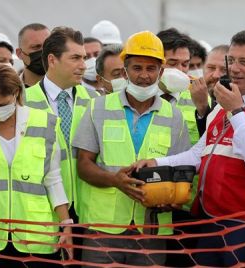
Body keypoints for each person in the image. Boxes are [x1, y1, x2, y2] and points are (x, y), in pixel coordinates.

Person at [134, 30, 245, 266]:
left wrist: (236, 111)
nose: (235, 68)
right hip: (210, 218)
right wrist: (157, 163)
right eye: (232, 60)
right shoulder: (222, 105)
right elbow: (199, 153)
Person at [73, 30, 190, 266]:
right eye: (137, 68)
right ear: (125, 71)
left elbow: (182, 168)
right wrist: (116, 180)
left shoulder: (174, 115)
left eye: (151, 68)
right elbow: (83, 165)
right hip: (103, 229)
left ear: (161, 72)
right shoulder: (98, 108)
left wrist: (173, 198)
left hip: (152, 229)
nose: (144, 76)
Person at [0, 63, 72, 268]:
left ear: (16, 92)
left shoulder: (45, 122)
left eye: (3, 104)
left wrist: (66, 224)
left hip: (35, 235)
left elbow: (53, 178)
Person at [24, 27, 99, 213]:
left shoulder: (95, 100)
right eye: (75, 58)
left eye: (84, 58)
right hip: (44, 209)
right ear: (52, 60)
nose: (83, 65)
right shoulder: (23, 101)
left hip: (87, 209)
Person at [157, 28, 201, 145]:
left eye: (185, 64)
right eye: (172, 63)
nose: (180, 70)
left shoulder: (200, 95)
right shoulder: (139, 93)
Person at [192, 44, 228, 136]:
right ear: (203, 68)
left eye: (223, 70)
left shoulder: (240, 105)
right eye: (211, 68)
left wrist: (202, 107)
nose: (216, 75)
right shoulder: (188, 93)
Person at [15, 23, 50, 88]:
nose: (44, 51)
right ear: (19, 53)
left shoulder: (69, 86)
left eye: (47, 45)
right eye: (36, 47)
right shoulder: (10, 91)